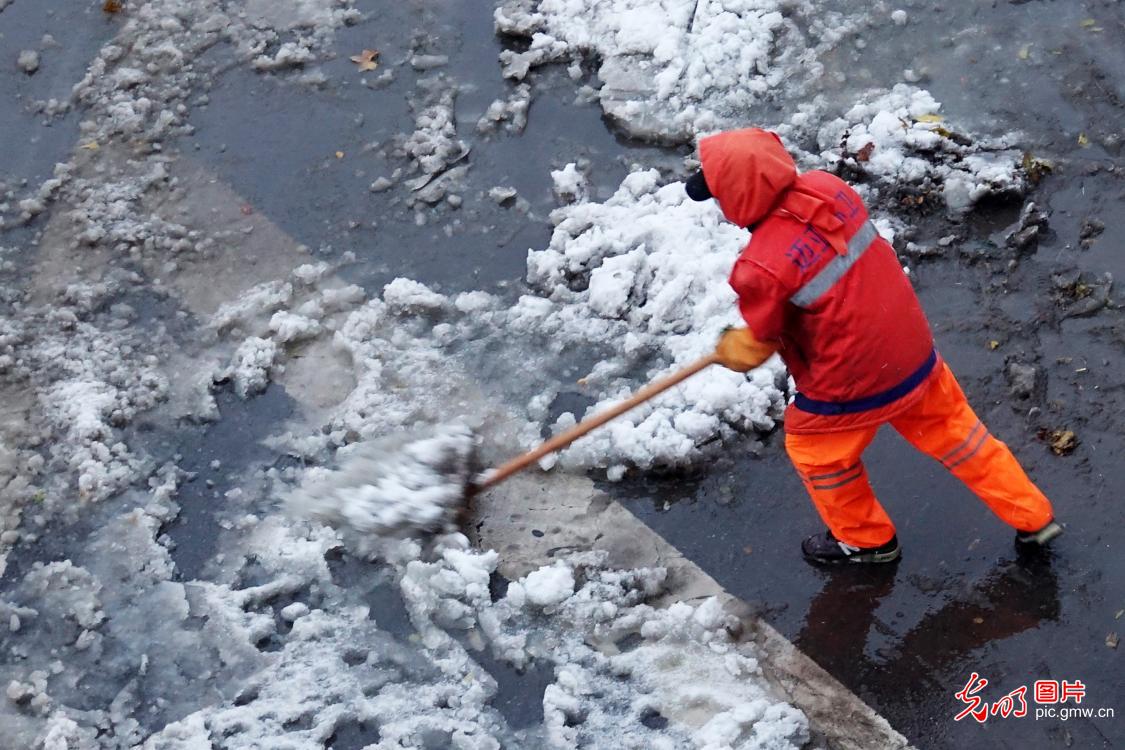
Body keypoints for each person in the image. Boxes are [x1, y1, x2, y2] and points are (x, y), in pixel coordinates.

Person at [685, 127, 1061, 564]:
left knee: (816, 452)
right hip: (911, 350)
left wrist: (731, 347)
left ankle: (866, 540)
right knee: (959, 434)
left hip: (853, 378)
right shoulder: (831, 189)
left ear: (735, 197)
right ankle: (1034, 517)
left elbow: (756, 344)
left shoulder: (759, 266)